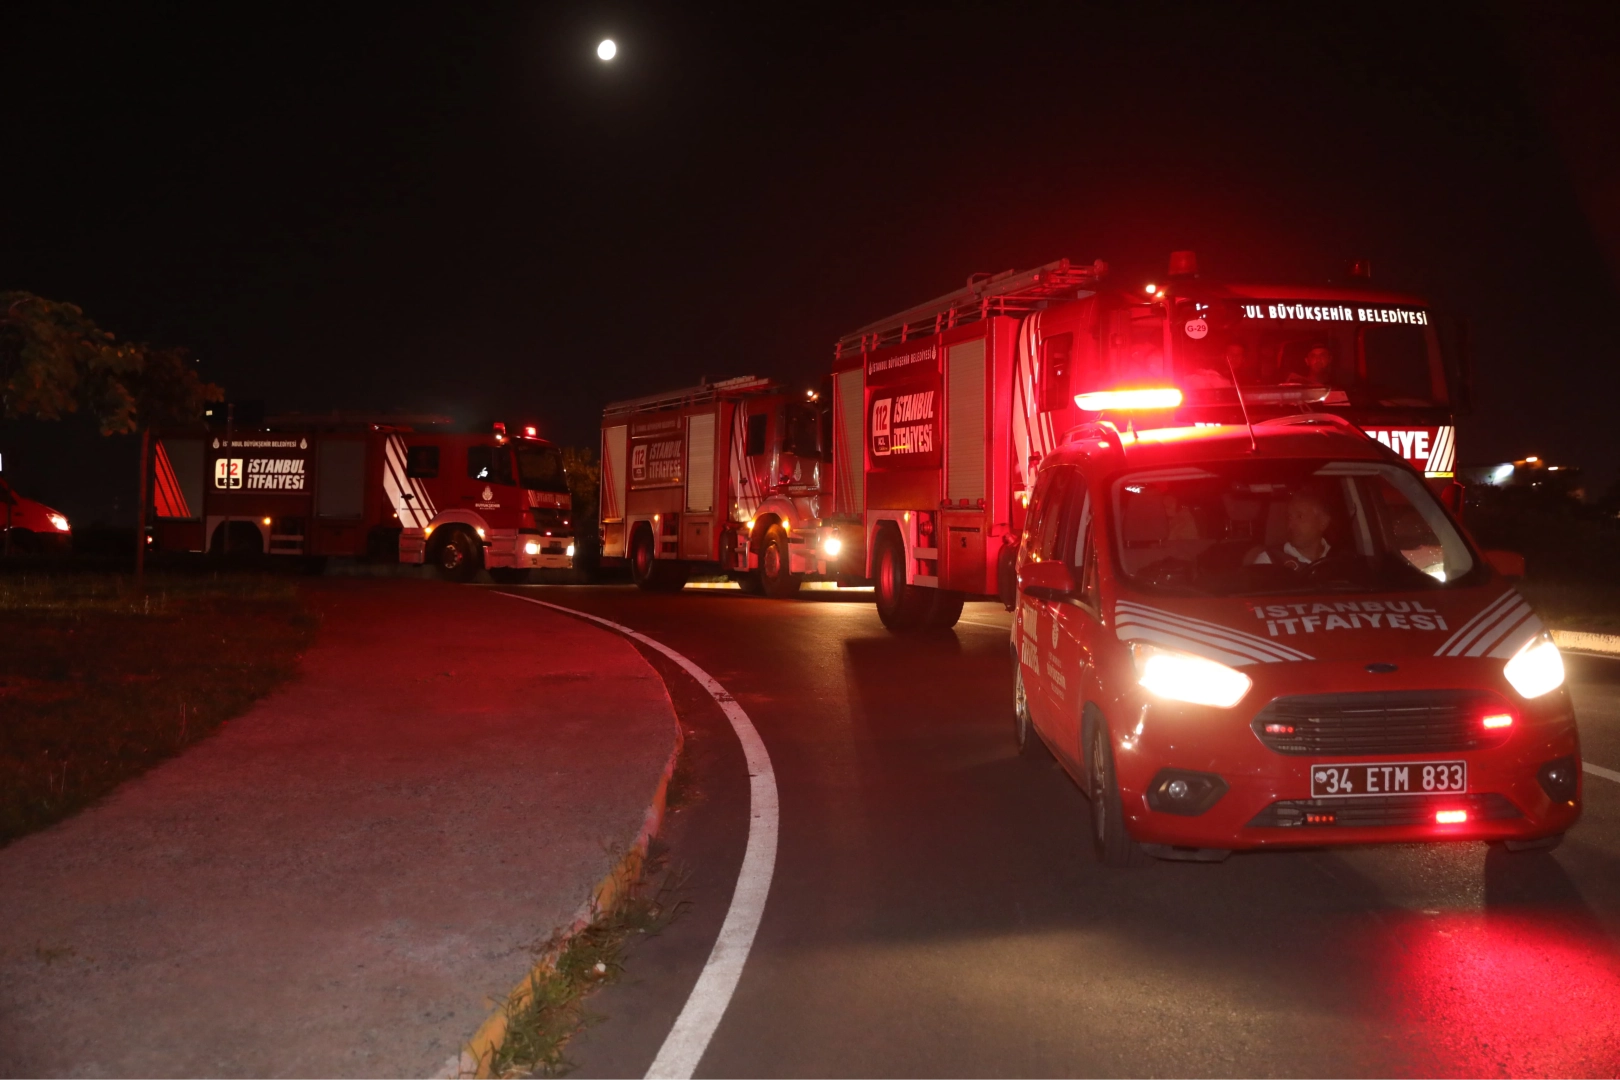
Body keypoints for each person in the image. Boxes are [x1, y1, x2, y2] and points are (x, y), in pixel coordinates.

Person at [1247, 489, 1334, 570]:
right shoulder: (1270, 560)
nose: (1291, 525)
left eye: (1300, 517)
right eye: (1289, 517)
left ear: (1323, 522)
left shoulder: (1338, 559)